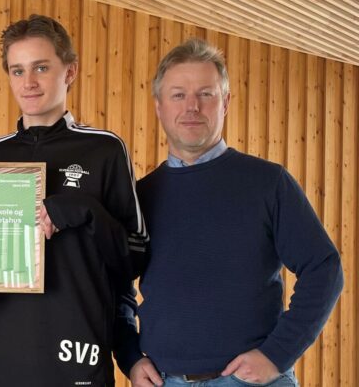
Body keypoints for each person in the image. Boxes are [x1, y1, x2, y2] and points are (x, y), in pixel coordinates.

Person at [117, 38, 344, 387]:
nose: (192, 106)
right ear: (159, 106)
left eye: (205, 94)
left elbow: (323, 268)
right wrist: (130, 357)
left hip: (252, 382)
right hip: (165, 381)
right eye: (178, 95)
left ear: (225, 103)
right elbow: (117, 289)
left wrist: (277, 354)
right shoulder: (140, 197)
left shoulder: (269, 183)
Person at [0, 14, 148, 386]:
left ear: (70, 72)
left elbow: (136, 254)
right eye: (17, 70)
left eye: (41, 67)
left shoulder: (105, 149)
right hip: (14, 355)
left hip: (82, 349)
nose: (28, 82)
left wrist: (83, 211)